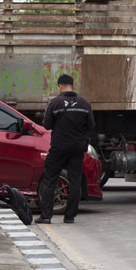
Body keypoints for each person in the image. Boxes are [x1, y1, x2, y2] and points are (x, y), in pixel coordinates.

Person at [37, 74, 94, 224]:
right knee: (75, 181)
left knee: (49, 180)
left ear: (60, 87)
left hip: (59, 147)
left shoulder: (54, 103)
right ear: (72, 86)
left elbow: (47, 125)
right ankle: (69, 217)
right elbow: (91, 126)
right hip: (77, 148)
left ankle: (46, 216)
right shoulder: (85, 104)